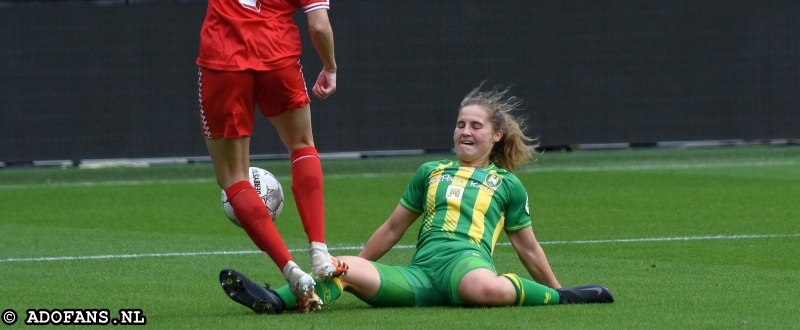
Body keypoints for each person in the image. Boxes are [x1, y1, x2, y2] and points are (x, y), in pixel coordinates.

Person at [140, 0, 345, 311]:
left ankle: (290, 272)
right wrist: (330, 67)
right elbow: (317, 23)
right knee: (302, 147)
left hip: (222, 63)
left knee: (233, 179)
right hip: (277, 60)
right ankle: (319, 252)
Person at [218, 86, 614, 314]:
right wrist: (354, 270)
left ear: (496, 136)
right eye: (460, 124)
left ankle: (563, 298)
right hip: (420, 275)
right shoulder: (430, 172)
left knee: (484, 290)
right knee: (342, 266)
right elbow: (392, 228)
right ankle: (277, 300)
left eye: (476, 126)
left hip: (466, 265)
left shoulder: (506, 184)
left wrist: (558, 290)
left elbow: (527, 247)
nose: (465, 131)